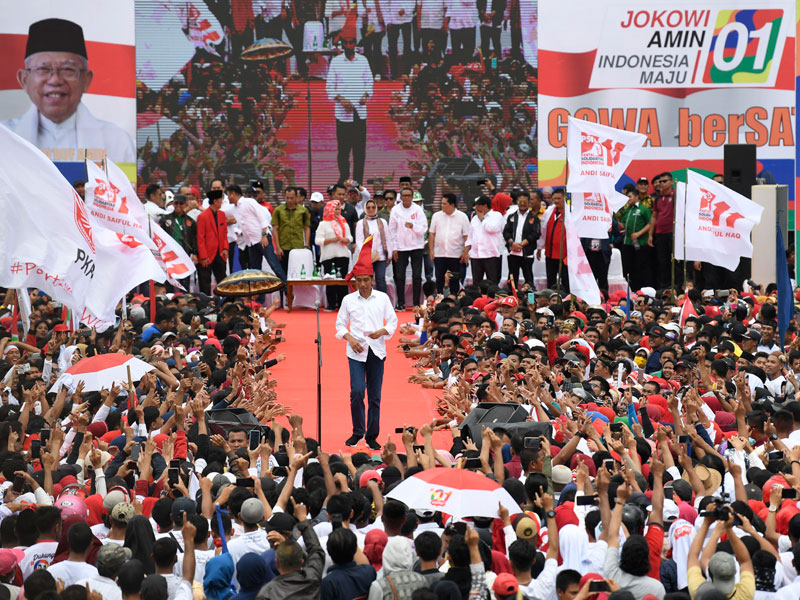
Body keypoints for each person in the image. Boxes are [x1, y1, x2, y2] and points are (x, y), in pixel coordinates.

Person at [3, 18, 135, 164]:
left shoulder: (117, 142)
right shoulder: (4, 138)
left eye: (67, 70)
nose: (55, 80)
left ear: (86, 80)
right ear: (24, 79)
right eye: (43, 69)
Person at [336, 237, 398, 449]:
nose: (362, 284)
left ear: (371, 279)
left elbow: (393, 321)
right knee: (356, 392)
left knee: (374, 396)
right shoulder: (348, 300)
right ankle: (357, 432)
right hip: (356, 350)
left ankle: (372, 435)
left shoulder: (382, 298)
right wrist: (350, 338)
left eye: (366, 280)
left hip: (377, 350)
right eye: (358, 280)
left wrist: (382, 330)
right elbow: (340, 325)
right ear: (354, 281)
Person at [326, 19, 373, 184]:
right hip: (343, 114)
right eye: (345, 43)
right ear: (342, 44)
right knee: (343, 151)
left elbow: (369, 82)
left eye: (351, 42)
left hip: (360, 113)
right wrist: (341, 99)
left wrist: (366, 95)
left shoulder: (364, 60)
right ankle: (344, 178)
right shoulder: (336, 62)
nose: (348, 46)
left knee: (360, 151)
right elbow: (329, 87)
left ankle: (358, 181)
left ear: (355, 43)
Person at [389, 188, 427, 310]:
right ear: (400, 197)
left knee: (417, 276)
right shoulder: (395, 210)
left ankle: (416, 303)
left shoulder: (418, 209)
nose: (406, 198)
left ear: (412, 197)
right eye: (403, 196)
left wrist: (413, 226)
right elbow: (392, 230)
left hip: (416, 246)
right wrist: (394, 248)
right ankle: (401, 303)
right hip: (401, 247)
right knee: (400, 276)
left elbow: (424, 228)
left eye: (408, 196)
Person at [429, 193, 470, 294]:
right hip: (439, 253)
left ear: (452, 205)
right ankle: (439, 299)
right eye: (441, 203)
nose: (442, 206)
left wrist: (465, 252)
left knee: (455, 279)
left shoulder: (462, 217)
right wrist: (431, 250)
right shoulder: (436, 216)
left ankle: (455, 299)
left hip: (456, 254)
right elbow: (432, 234)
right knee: (439, 278)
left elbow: (467, 237)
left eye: (444, 204)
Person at [315, 200, 353, 309]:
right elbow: (318, 240)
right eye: (335, 209)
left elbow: (350, 237)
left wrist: (346, 239)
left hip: (342, 255)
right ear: (329, 209)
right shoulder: (323, 224)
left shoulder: (343, 222)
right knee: (330, 281)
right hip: (328, 256)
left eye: (338, 209)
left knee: (342, 281)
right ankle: (331, 305)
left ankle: (343, 305)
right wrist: (331, 240)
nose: (337, 211)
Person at [503, 190, 539, 289]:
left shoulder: (534, 218)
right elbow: (506, 232)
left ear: (529, 203)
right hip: (513, 252)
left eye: (525, 202)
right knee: (512, 278)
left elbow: (535, 234)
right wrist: (511, 243)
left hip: (527, 252)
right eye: (520, 202)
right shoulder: (511, 216)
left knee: (529, 280)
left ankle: (531, 302)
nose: (522, 204)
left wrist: (523, 244)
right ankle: (512, 300)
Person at [273, 186, 311, 280]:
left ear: (296, 197)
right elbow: (275, 229)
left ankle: (297, 294)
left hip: (299, 247)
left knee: (298, 273)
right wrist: (278, 248)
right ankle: (284, 294)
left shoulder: (303, 211)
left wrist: (306, 245)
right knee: (283, 274)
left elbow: (306, 228)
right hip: (283, 248)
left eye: (292, 198)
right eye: (287, 198)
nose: (289, 200)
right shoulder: (278, 210)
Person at [159, 194, 198, 288]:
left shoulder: (191, 221)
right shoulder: (165, 219)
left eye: (181, 203)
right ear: (173, 204)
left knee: (185, 280)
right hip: (169, 254)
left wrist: (195, 253)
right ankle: (169, 298)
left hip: (184, 254)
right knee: (170, 280)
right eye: (176, 203)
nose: (178, 205)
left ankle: (185, 298)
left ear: (185, 204)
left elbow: (194, 238)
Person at [355, 198, 393, 293]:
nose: (371, 209)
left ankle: (383, 302)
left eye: (373, 207)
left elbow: (388, 238)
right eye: (368, 207)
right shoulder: (361, 223)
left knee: (380, 279)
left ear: (376, 208)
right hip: (366, 257)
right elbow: (359, 241)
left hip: (381, 256)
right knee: (367, 280)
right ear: (365, 209)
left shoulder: (382, 222)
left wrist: (389, 254)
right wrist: (366, 253)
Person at [465, 195, 505, 284]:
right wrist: (466, 252)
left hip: (490, 254)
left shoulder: (496, 215)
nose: (475, 208)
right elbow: (470, 236)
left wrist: (482, 219)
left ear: (485, 206)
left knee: (492, 281)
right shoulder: (474, 218)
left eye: (477, 205)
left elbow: (492, 229)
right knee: (476, 281)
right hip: (476, 255)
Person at [648, 172, 678, 289]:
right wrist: (651, 235)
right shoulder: (658, 198)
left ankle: (676, 287)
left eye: (664, 181)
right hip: (660, 233)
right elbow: (654, 216)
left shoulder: (676, 195)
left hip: (673, 233)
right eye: (660, 182)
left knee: (675, 262)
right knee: (662, 262)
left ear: (671, 182)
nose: (661, 184)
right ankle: (664, 288)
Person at [196, 189, 229, 295]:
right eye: (220, 200)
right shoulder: (202, 216)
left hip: (220, 253)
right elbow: (200, 238)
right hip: (207, 254)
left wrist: (225, 248)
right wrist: (203, 256)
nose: (222, 202)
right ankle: (205, 303)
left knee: (222, 280)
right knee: (205, 281)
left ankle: (224, 301)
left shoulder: (222, 214)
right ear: (215, 201)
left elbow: (224, 233)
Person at [619, 187, 652, 291]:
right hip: (627, 243)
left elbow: (650, 224)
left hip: (641, 244)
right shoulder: (627, 210)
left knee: (641, 268)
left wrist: (639, 233)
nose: (628, 199)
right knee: (628, 267)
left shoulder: (644, 209)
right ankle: (631, 289)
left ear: (637, 196)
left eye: (630, 197)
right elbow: (623, 225)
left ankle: (642, 289)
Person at [539, 188, 569, 293]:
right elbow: (543, 230)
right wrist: (539, 247)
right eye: (554, 198)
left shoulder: (570, 211)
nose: (556, 201)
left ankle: (567, 299)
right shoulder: (549, 211)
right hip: (550, 254)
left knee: (566, 280)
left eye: (559, 198)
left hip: (565, 254)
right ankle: (550, 298)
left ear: (564, 198)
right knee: (551, 279)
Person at [386, 0, 413, 78]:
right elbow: (386, 4)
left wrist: (405, 10)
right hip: (393, 20)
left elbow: (412, 2)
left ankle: (406, 72)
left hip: (407, 19)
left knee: (407, 46)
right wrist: (388, 21)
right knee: (392, 47)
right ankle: (393, 73)